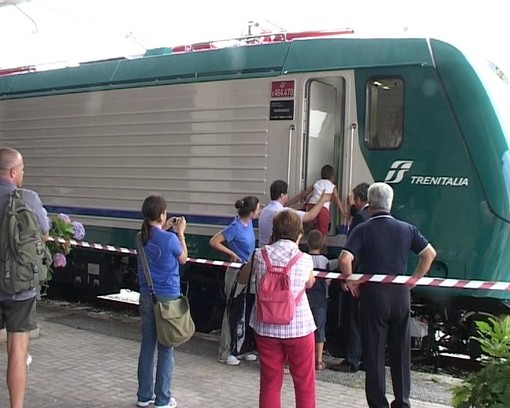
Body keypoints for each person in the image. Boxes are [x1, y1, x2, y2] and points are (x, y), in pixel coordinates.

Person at [338, 182, 436, 408]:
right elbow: (429, 253)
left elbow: (345, 258)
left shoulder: (362, 229)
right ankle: (402, 402)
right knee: (401, 351)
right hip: (400, 295)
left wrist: (351, 279)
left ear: (369, 205)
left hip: (373, 296)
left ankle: (378, 403)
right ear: (390, 204)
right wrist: (413, 279)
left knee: (373, 352)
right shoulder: (407, 228)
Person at [240, 210, 316, 408]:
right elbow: (309, 283)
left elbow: (242, 278)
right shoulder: (305, 259)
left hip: (266, 327)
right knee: (304, 384)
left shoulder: (259, 255)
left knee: (270, 383)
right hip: (299, 328)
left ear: (274, 232)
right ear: (299, 234)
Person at [0, 147, 50, 408]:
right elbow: (43, 233)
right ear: (13, 171)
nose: (22, 174)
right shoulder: (27, 198)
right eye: (21, 170)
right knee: (18, 351)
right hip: (18, 287)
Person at [136, 195, 188, 408]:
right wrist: (180, 233)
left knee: (147, 346)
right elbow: (183, 258)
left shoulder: (140, 237)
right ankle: (163, 399)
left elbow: (155, 240)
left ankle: (144, 395)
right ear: (161, 215)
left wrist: (164, 228)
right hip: (168, 299)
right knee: (166, 348)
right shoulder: (171, 239)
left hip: (147, 297)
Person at [209, 196, 260, 366]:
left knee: (245, 309)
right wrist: (231, 253)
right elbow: (214, 241)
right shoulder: (235, 227)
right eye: (258, 209)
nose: (259, 212)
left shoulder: (247, 222)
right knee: (232, 309)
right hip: (236, 272)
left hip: (248, 271)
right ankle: (225, 351)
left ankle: (241, 348)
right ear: (251, 213)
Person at [335, 182, 370, 373]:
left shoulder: (359, 218)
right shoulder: (372, 215)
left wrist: (348, 278)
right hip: (370, 275)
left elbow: (351, 250)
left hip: (356, 273)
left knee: (353, 319)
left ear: (358, 199)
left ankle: (351, 359)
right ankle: (365, 358)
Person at [258, 179, 331, 247]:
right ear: (282, 195)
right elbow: (310, 216)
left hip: (263, 249)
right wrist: (323, 200)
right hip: (276, 252)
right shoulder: (283, 213)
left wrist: (301, 205)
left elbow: (285, 209)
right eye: (287, 193)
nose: (288, 196)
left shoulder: (264, 210)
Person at [288, 165, 348, 236]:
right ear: (332, 177)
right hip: (323, 208)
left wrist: (289, 203)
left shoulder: (317, 183)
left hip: (311, 206)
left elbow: (303, 195)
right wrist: (343, 213)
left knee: (311, 227)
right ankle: (322, 245)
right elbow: (337, 199)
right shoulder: (332, 186)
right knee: (323, 233)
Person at [305, 229, 331, 371]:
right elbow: (327, 281)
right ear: (322, 244)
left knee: (306, 328)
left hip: (306, 297)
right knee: (319, 328)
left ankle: (305, 357)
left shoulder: (304, 258)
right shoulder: (325, 261)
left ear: (307, 243)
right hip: (321, 299)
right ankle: (319, 361)